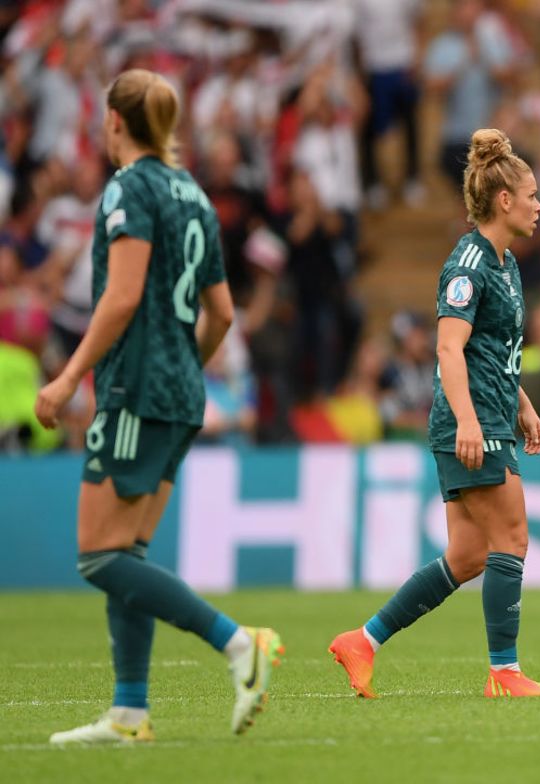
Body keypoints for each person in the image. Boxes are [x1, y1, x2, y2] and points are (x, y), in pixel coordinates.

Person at [33, 70, 282, 746]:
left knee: (98, 557)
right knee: (129, 553)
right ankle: (130, 713)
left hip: (134, 386)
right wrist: (180, 370)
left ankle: (239, 644)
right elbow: (224, 314)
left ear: (115, 121)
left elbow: (121, 296)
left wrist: (66, 378)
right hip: (181, 389)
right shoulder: (195, 195)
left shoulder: (129, 189)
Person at [329, 128, 540, 699]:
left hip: (490, 411)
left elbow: (493, 351)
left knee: (467, 555)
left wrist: (525, 405)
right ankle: (505, 674)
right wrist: (467, 420)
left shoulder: (504, 263)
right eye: (532, 195)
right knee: (512, 537)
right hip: (473, 421)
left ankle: (362, 640)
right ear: (504, 201)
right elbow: (448, 348)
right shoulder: (468, 264)